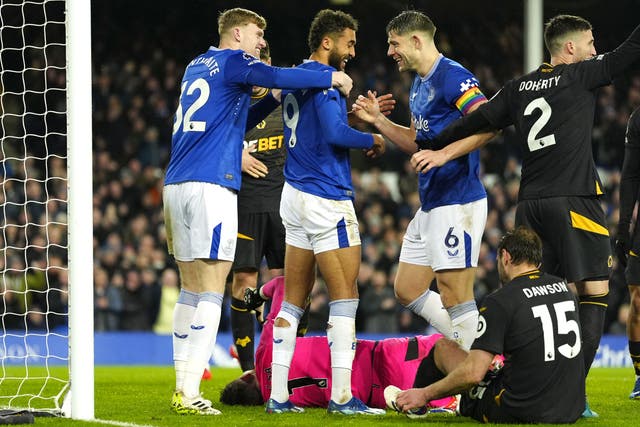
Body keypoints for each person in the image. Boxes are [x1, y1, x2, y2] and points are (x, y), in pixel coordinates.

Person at [406, 15, 640, 416]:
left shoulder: (517, 88)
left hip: (529, 204)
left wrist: (435, 143)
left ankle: (517, 380)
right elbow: (630, 52)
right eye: (589, 42)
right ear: (569, 49)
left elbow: (475, 121)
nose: (593, 49)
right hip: (574, 200)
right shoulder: (581, 75)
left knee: (534, 295)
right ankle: (572, 395)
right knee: (594, 294)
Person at [163, 7, 353, 415]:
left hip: (176, 183)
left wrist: (273, 102)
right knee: (214, 287)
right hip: (211, 185)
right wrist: (328, 76)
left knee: (191, 288)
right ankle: (191, 393)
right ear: (235, 33)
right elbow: (276, 76)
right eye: (256, 33)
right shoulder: (235, 59)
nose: (261, 42)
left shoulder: (198, 65)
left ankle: (181, 385)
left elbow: (235, 118)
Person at [352, 10, 494, 351]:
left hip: (458, 200)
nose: (390, 52)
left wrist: (444, 155)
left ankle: (478, 369)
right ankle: (478, 351)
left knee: (455, 294)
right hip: (432, 201)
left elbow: (489, 123)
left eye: (394, 43)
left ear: (416, 41)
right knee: (407, 288)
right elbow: (418, 142)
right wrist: (378, 122)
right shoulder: (419, 83)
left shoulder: (452, 77)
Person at [267, 9, 385, 415]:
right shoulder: (328, 82)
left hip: (294, 195)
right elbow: (335, 135)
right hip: (325, 197)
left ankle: (278, 396)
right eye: (349, 43)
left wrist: (353, 119)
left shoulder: (299, 81)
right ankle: (341, 396)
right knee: (345, 296)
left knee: (292, 302)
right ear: (328, 43)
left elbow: (324, 129)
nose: (353, 51)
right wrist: (372, 134)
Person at [387, 227, 585, 424]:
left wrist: (425, 393)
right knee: (446, 348)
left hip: (521, 410)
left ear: (505, 256)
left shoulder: (501, 300)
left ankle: (417, 401)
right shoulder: (563, 288)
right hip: (570, 408)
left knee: (443, 352)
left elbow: (473, 374)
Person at [220, 276, 457, 414]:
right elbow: (284, 283)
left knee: (455, 390)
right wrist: (260, 295)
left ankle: (448, 403)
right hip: (384, 358)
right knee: (455, 347)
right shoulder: (266, 354)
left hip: (375, 396)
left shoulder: (284, 399)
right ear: (245, 377)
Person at [615, 106, 640, 400]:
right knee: (638, 297)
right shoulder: (637, 118)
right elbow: (631, 175)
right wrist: (624, 225)